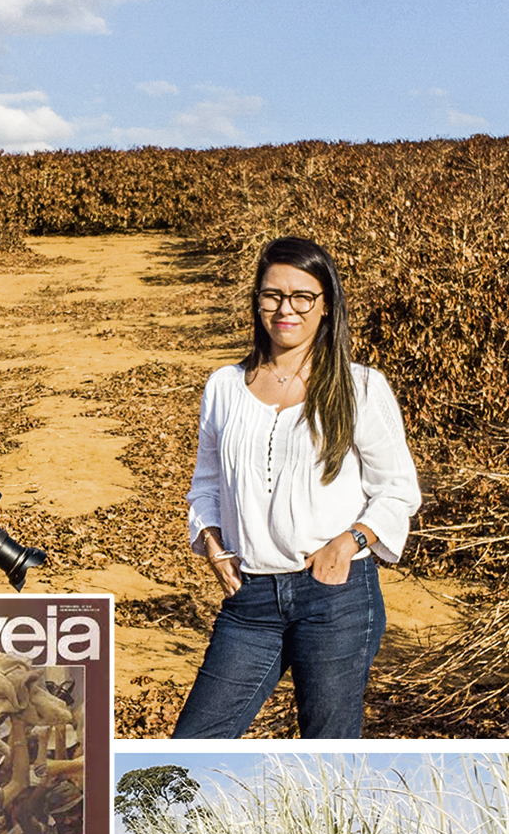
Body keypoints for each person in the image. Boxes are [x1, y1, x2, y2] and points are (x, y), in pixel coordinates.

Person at [173, 236, 421, 739]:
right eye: (272, 295)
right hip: (252, 598)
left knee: (327, 752)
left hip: (335, 596)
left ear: (325, 306)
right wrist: (214, 543)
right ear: (257, 302)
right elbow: (205, 484)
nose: (286, 309)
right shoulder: (224, 386)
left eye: (302, 296)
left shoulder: (360, 387)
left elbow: (397, 490)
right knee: (193, 743)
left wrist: (349, 542)